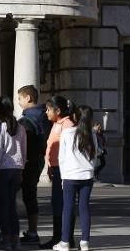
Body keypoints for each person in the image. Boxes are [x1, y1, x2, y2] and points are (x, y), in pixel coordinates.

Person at [53, 106, 98, 251]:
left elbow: (62, 158)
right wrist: (91, 170)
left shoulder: (67, 133)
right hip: (87, 175)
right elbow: (95, 155)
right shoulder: (91, 133)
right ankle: (85, 242)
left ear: (75, 117)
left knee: (68, 207)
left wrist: (63, 177)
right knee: (84, 207)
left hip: (70, 175)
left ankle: (65, 242)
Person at [0, 96, 27, 250]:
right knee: (12, 205)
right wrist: (22, 169)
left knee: (3, 206)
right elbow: (24, 151)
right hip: (17, 169)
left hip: (2, 170)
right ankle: (15, 238)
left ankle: (6, 237)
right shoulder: (21, 128)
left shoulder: (0, 129)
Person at [41, 95, 77, 249]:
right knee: (57, 203)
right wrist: (49, 165)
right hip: (56, 168)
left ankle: (65, 237)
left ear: (58, 110)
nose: (46, 112)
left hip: (64, 170)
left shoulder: (67, 124)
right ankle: (58, 236)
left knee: (63, 203)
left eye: (49, 110)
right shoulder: (57, 123)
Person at [16, 85, 48, 245]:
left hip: (28, 162)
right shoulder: (45, 115)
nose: (19, 102)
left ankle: (29, 233)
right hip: (39, 160)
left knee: (24, 196)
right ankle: (32, 231)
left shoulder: (26, 120)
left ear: (28, 98)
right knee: (31, 196)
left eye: (20, 99)